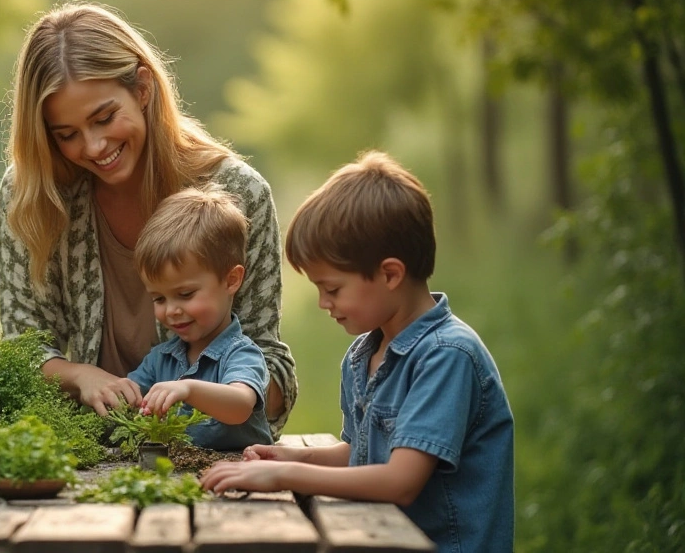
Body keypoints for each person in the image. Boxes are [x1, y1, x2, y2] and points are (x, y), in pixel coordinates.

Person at [0, 1, 296, 433]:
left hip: (204, 454)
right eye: (67, 135)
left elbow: (269, 363)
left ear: (142, 89)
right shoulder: (30, 195)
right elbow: (21, 348)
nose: (94, 146)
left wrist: (198, 394)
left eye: (104, 118)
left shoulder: (238, 193)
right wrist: (81, 376)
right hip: (78, 449)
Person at [200, 151, 514, 552]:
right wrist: (285, 459)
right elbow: (361, 454)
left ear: (390, 274)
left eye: (332, 289)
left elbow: (399, 482)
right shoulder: (365, 355)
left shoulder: (446, 356)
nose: (323, 303)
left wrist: (284, 478)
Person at [120, 186, 272, 449]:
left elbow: (240, 405)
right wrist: (118, 393)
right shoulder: (160, 360)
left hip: (240, 477)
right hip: (179, 477)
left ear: (231, 280)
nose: (171, 310)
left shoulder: (240, 354)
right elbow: (128, 401)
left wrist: (189, 389)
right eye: (159, 299)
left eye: (186, 294)